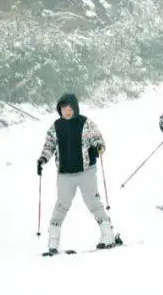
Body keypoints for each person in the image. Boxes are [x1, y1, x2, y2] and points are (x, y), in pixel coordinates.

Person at [37, 93, 121, 254]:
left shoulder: (85, 123)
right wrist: (42, 160)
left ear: (75, 108)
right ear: (59, 110)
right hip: (65, 173)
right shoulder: (56, 126)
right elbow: (49, 146)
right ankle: (53, 242)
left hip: (86, 171)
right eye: (63, 109)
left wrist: (99, 148)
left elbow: (99, 140)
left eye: (70, 108)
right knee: (62, 205)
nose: (67, 112)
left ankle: (108, 235)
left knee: (93, 202)